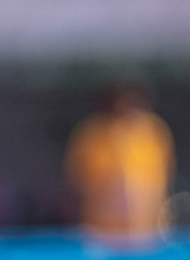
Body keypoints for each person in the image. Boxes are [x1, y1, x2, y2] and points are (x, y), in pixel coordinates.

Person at [65, 82, 173, 241]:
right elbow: (76, 183)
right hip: (100, 228)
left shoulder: (153, 131)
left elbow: (163, 179)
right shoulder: (91, 134)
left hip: (145, 228)